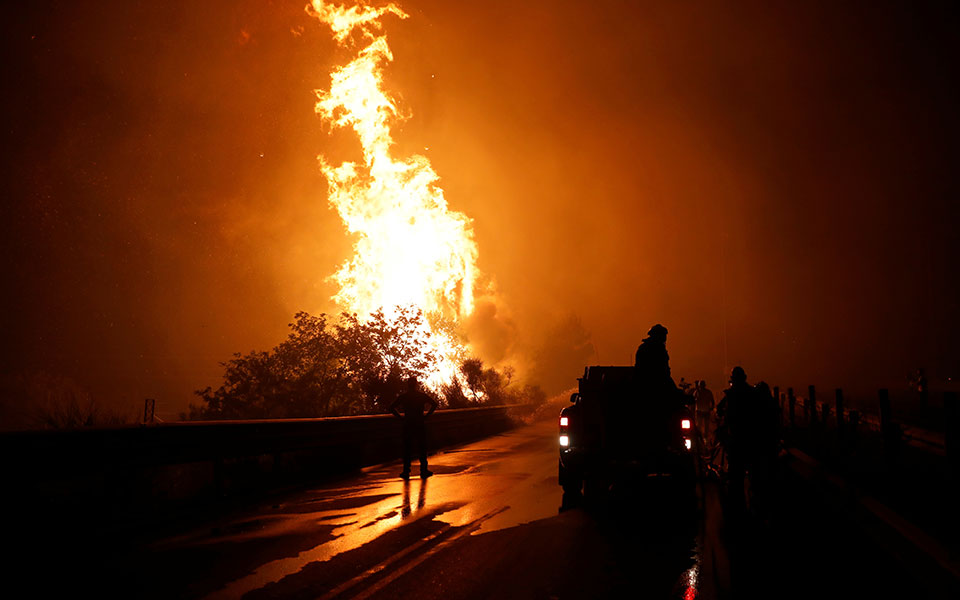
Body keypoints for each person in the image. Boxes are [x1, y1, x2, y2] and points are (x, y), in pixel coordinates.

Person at [716, 366, 755, 511]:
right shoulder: (752, 393)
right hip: (752, 439)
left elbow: (720, 410)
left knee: (735, 475)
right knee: (753, 473)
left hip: (736, 439)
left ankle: (737, 507)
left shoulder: (730, 395)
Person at [390, 376, 438, 479]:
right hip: (420, 423)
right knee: (422, 447)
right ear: (416, 384)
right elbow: (434, 404)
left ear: (408, 384)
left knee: (407, 448)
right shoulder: (421, 396)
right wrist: (426, 416)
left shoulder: (404, 396)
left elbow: (391, 407)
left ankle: (406, 471)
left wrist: (401, 418)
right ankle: (423, 470)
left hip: (408, 424)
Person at [693, 379, 716, 447]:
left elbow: (693, 400)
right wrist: (711, 407)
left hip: (701, 411)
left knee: (701, 426)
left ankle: (702, 440)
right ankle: (703, 440)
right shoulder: (706, 392)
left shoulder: (697, 392)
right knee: (704, 426)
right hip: (704, 411)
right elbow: (712, 401)